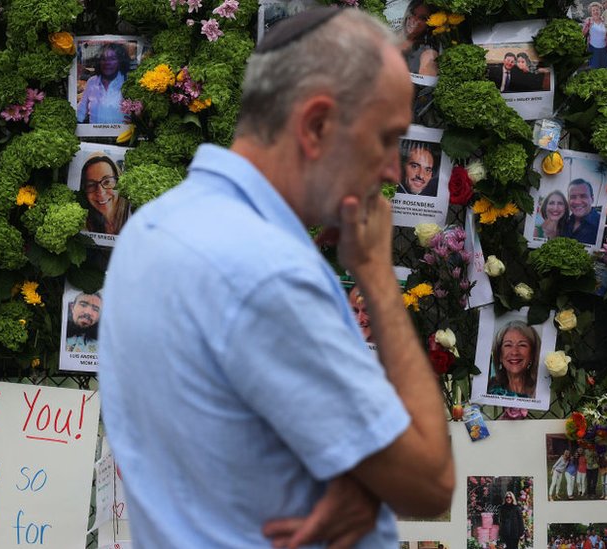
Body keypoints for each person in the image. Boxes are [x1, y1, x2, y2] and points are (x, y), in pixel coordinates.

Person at [99, 8, 454, 548]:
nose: (391, 169)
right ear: (316, 126)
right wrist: (378, 278)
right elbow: (429, 482)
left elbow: (235, 435)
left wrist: (363, 478)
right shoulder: (268, 272)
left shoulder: (151, 228)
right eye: (386, 138)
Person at [76, 43, 130, 124]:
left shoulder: (127, 82)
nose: (107, 63)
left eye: (112, 59)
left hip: (123, 132)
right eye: (104, 59)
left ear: (120, 62)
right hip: (94, 131)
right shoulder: (92, 81)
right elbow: (81, 111)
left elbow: (138, 112)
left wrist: (136, 120)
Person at [487, 320, 540, 398]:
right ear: (500, 354)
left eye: (522, 345)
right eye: (508, 345)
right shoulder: (489, 390)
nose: (514, 352)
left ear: (532, 354)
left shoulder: (543, 392)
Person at [79, 154, 131, 235]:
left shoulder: (135, 215)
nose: (101, 192)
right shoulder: (82, 226)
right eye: (91, 185)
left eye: (107, 182)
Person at [400, 0, 439, 76]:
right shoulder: (392, 36)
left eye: (422, 18)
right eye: (413, 13)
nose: (414, 19)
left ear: (430, 25)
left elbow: (425, 83)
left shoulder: (428, 54)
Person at [561, 178, 601, 245]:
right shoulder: (564, 223)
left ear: (592, 199)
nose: (577, 202)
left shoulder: (601, 224)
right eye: (573, 197)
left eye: (583, 196)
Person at [583, 2, 607, 69]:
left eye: (597, 10)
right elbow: (583, 33)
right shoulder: (589, 21)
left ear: (600, 11)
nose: (595, 12)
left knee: (604, 69)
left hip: (604, 49)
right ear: (591, 12)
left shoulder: (604, 21)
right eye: (593, 10)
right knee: (594, 69)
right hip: (593, 49)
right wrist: (586, 25)